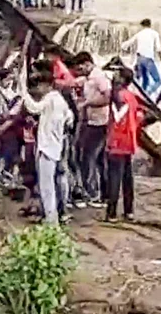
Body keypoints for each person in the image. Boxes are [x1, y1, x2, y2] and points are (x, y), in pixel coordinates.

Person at [22, 72, 73, 225]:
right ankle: (54, 215)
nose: (39, 89)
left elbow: (34, 108)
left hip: (47, 146)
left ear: (47, 85)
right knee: (54, 182)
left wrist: (23, 93)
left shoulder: (50, 99)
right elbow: (70, 117)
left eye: (40, 86)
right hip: (56, 145)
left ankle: (51, 220)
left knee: (47, 187)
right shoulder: (61, 101)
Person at [71, 52, 111, 207]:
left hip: (99, 122)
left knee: (87, 157)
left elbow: (108, 97)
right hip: (93, 120)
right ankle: (104, 194)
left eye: (80, 68)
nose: (79, 71)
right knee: (99, 159)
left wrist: (87, 103)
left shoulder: (99, 77)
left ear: (87, 63)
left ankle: (92, 193)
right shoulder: (89, 78)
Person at [105, 68, 142, 223]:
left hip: (116, 140)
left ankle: (112, 212)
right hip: (129, 140)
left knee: (114, 176)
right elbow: (139, 115)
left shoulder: (116, 96)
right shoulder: (132, 97)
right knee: (127, 177)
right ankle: (129, 211)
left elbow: (115, 117)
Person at [121, 19, 161, 95]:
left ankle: (140, 94)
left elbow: (126, 45)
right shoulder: (154, 33)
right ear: (150, 25)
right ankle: (148, 93)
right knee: (158, 81)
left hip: (139, 59)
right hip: (148, 59)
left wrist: (122, 49)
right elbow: (159, 49)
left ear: (142, 26)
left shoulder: (139, 34)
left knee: (144, 79)